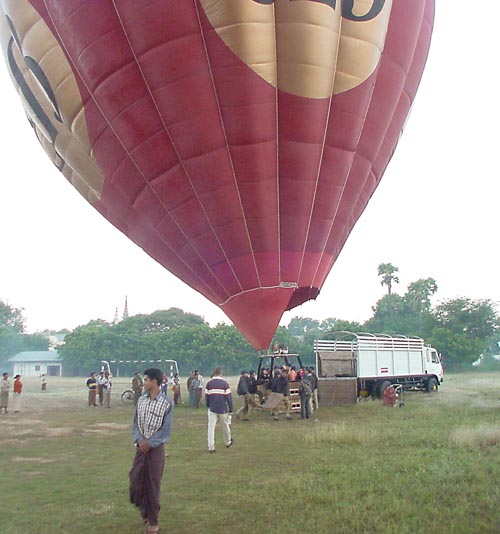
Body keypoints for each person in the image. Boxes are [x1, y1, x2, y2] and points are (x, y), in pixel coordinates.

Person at [129, 368, 174, 534]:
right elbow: (135, 424)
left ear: (154, 381)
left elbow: (165, 430)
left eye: (146, 380)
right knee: (136, 479)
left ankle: (153, 523)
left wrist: (150, 443)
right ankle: (144, 510)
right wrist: (140, 440)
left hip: (155, 450)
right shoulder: (141, 400)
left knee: (152, 484)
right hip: (140, 448)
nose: (144, 383)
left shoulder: (167, 403)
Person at [205, 366, 233, 452]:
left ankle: (211, 446)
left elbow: (207, 397)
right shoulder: (225, 384)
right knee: (225, 426)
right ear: (221, 373)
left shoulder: (209, 384)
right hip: (222, 408)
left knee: (211, 427)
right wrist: (230, 409)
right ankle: (228, 441)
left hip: (212, 408)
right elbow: (228, 397)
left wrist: (208, 405)